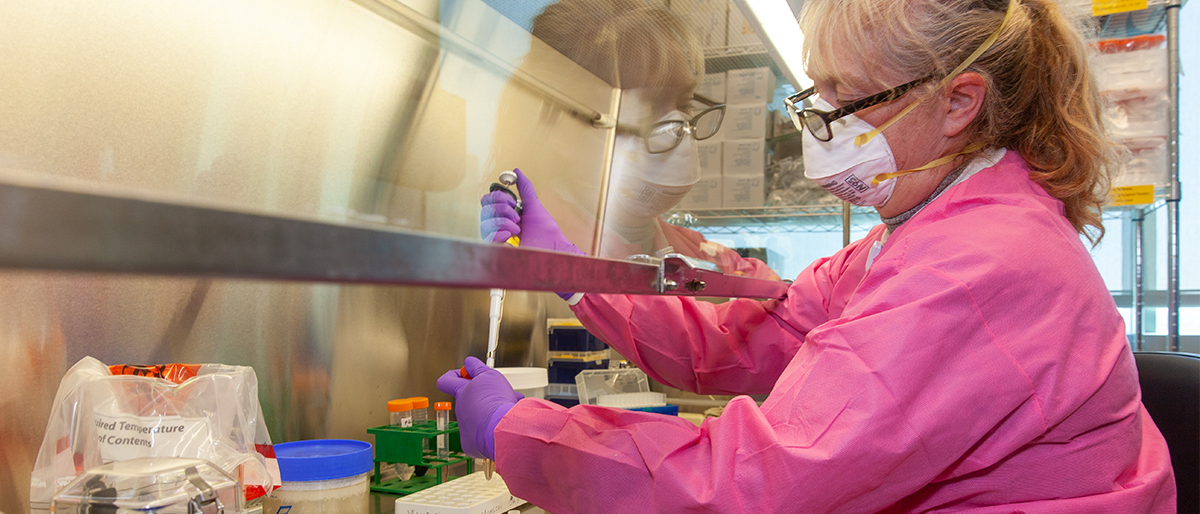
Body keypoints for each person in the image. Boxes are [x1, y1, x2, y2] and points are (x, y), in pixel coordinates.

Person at [440, 0, 1178, 511]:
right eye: (814, 97)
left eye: (844, 101)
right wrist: (572, 275)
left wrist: (520, 432)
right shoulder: (927, 229)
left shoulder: (978, 268)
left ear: (959, 103)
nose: (819, 128)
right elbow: (759, 331)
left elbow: (754, 485)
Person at [484, 0, 777, 278]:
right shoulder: (527, 256)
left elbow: (769, 294)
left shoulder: (693, 250)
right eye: (649, 107)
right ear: (562, 129)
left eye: (685, 104)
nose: (678, 129)